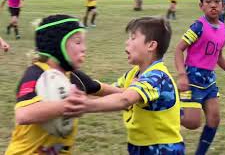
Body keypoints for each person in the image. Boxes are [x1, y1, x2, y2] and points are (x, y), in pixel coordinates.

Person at [64, 17, 185, 155]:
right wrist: (89, 85)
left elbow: (125, 99)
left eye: (133, 38)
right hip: (138, 146)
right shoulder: (134, 73)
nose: (127, 42)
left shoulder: (156, 77)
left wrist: (86, 105)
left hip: (163, 149)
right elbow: (116, 91)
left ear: (151, 45)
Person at [4, 14, 119, 154]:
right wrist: (68, 105)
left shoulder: (73, 75)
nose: (84, 48)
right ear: (57, 46)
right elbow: (23, 114)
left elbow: (100, 88)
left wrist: (130, 90)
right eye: (78, 42)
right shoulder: (36, 73)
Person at [174, 0, 225, 155]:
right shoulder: (198, 26)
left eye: (217, 1)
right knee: (193, 123)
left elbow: (218, 56)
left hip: (209, 80)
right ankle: (166, 107)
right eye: (208, 2)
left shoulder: (223, 28)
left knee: (214, 119)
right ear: (201, 6)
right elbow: (179, 50)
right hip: (192, 78)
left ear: (223, 5)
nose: (213, 5)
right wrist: (182, 74)